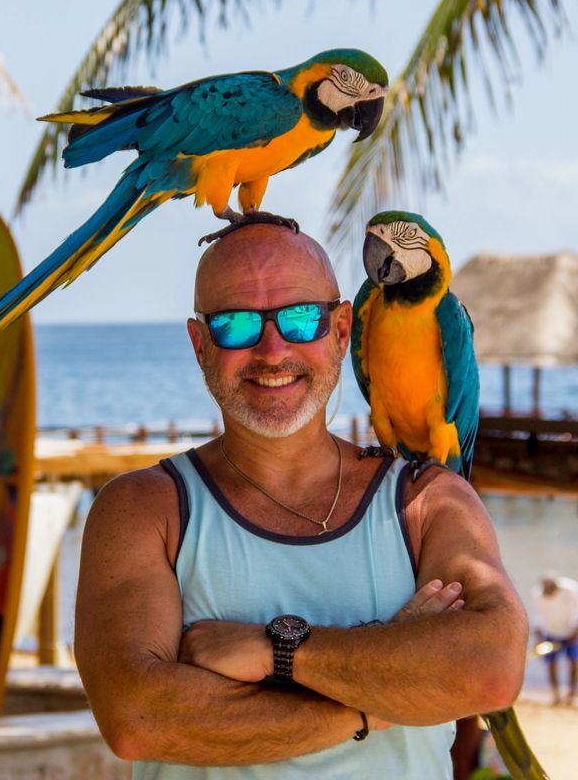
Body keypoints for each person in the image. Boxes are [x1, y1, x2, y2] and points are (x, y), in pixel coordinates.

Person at [74, 223, 528, 779]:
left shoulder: (428, 502)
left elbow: (489, 671)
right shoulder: (146, 510)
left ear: (341, 331)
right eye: (235, 324)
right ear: (199, 345)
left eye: (301, 319)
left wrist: (277, 652)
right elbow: (138, 718)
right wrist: (381, 699)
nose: (272, 350)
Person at [532, 571, 578, 704]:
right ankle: (556, 695)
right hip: (551, 633)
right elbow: (539, 615)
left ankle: (571, 695)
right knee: (551, 663)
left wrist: (576, 632)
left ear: (556, 588)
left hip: (571, 632)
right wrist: (539, 637)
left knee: (574, 662)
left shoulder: (570, 589)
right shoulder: (538, 594)